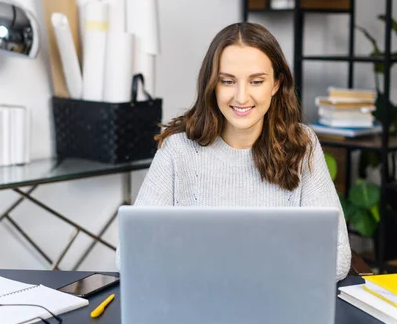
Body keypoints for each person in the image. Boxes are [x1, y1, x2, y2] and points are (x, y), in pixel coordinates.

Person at [116, 22, 351, 281]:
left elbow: (338, 256)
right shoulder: (178, 149)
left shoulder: (302, 144)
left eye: (256, 81)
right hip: (195, 303)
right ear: (212, 85)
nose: (241, 97)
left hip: (277, 304)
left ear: (275, 84)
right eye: (227, 81)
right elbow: (129, 255)